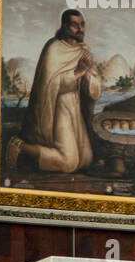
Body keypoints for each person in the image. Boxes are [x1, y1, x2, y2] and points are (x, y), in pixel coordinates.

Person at [7, 10, 103, 174]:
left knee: (86, 160)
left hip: (75, 108)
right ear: (65, 26)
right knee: (69, 163)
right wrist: (79, 72)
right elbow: (50, 83)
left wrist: (87, 75)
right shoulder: (54, 48)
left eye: (82, 24)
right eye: (74, 25)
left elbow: (95, 90)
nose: (80, 29)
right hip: (58, 106)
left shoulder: (83, 50)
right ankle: (18, 146)